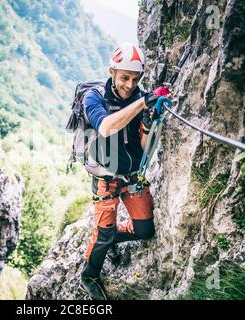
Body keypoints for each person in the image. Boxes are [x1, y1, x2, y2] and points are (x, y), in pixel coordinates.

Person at [79, 42, 171, 300]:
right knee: (105, 231)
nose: (129, 85)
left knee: (145, 231)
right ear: (112, 72)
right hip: (105, 177)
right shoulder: (94, 97)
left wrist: (150, 122)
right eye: (124, 78)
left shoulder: (139, 98)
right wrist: (142, 103)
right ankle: (90, 275)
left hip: (132, 176)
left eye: (135, 79)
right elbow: (106, 127)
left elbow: (145, 147)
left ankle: (106, 239)